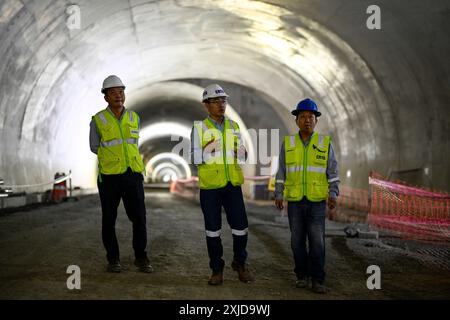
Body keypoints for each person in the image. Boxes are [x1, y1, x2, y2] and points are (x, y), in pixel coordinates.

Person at [190, 84, 255, 285]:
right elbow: (194, 157)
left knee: (241, 228)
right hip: (210, 188)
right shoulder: (199, 128)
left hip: (231, 185)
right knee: (213, 230)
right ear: (206, 105)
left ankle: (239, 263)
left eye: (223, 101)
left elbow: (243, 155)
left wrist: (242, 153)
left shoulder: (234, 126)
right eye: (216, 101)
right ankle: (216, 269)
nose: (221, 105)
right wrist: (208, 149)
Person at [274, 98, 339, 294]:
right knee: (297, 241)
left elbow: (333, 172)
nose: (307, 120)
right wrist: (279, 193)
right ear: (297, 121)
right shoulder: (288, 143)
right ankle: (301, 275)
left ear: (316, 120)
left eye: (311, 117)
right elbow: (282, 172)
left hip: (317, 201)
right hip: (295, 201)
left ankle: (318, 279)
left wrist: (333, 193)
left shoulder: (324, 143)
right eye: (303, 117)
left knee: (317, 241)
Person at [89, 75, 153, 273]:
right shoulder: (98, 120)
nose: (118, 95)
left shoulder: (134, 117)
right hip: (109, 177)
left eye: (121, 91)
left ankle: (141, 257)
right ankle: (113, 259)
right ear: (106, 97)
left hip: (132, 174)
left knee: (139, 218)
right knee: (109, 219)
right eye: (113, 92)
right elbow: (94, 146)